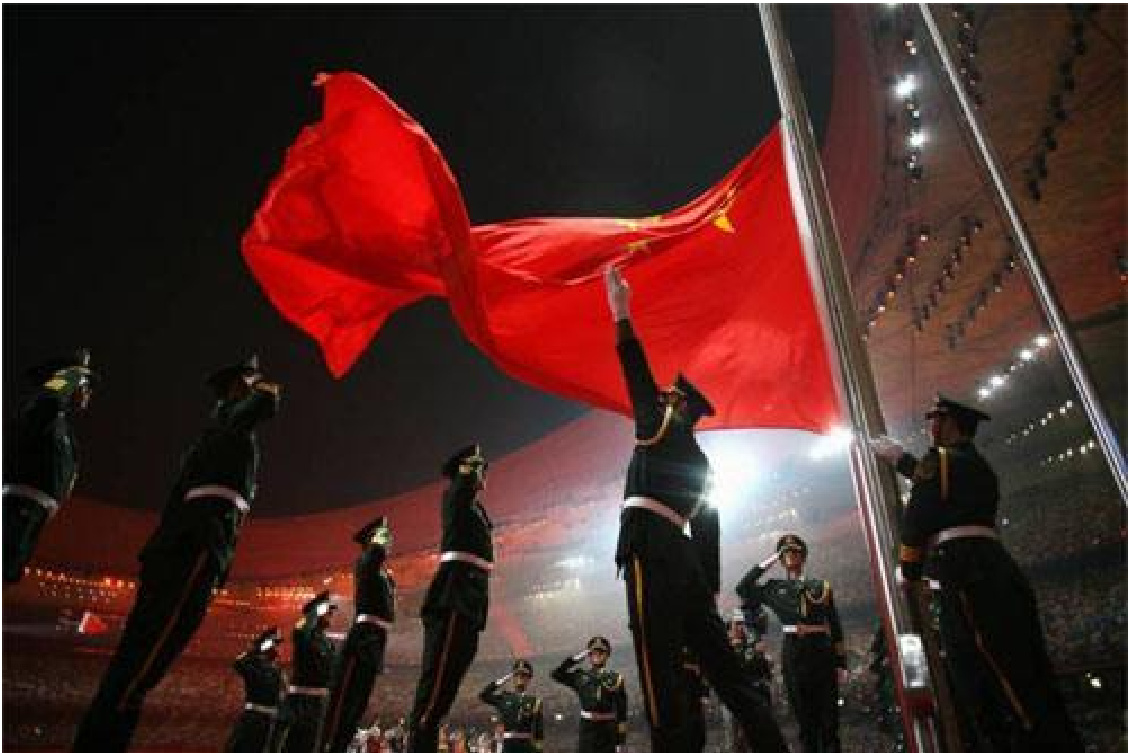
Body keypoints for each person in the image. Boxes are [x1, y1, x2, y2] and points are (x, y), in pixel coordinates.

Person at [604, 266, 788, 753]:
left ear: (677, 407)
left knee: (657, 667)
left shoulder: (660, 427)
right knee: (726, 673)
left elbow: (636, 375)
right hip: (687, 562)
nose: (660, 396)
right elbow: (710, 526)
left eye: (668, 396)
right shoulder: (702, 461)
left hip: (652, 548)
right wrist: (708, 588)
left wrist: (621, 313)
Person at [72, 355, 280, 753]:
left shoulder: (216, 434)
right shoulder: (229, 424)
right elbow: (265, 403)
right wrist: (259, 387)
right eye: (250, 382)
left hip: (183, 547)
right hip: (195, 545)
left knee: (138, 665)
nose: (258, 386)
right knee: (144, 664)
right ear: (237, 388)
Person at [871, 395, 1084, 753]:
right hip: (991, 565)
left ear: (948, 423)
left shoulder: (942, 460)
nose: (930, 426)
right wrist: (903, 461)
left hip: (965, 572)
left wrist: (908, 570)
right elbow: (939, 487)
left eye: (935, 419)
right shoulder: (975, 466)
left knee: (984, 671)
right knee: (1026, 670)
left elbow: (920, 514)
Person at [405, 444, 494, 753]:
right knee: (437, 686)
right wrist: (465, 474)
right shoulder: (456, 496)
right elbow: (459, 489)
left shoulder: (475, 507)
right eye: (478, 466)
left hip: (470, 599)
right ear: (464, 471)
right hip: (454, 595)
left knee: (448, 684)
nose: (484, 472)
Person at [4, 348, 96, 584]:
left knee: (11, 571)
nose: (88, 393)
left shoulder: (61, 425)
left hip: (35, 510)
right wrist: (74, 373)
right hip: (19, 505)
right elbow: (51, 397)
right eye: (85, 386)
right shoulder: (43, 410)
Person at [323, 516, 397, 753]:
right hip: (362, 638)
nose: (388, 541)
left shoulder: (383, 572)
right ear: (371, 540)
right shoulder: (365, 562)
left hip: (376, 640)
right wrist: (378, 542)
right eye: (382, 536)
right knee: (343, 701)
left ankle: (339, 746)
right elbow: (375, 556)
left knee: (358, 706)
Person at [281, 590, 340, 753]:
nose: (331, 614)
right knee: (294, 747)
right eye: (328, 611)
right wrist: (313, 612)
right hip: (301, 702)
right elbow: (301, 631)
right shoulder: (304, 633)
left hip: (319, 703)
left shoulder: (327, 642)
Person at [550, 637, 627, 753]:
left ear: (607, 655)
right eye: (593, 652)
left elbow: (622, 714)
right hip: (587, 730)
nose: (597, 654)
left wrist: (620, 741)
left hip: (608, 730)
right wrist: (574, 660)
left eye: (601, 652)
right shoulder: (580, 676)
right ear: (589, 655)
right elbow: (556, 674)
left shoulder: (616, 679)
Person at [226, 627, 287, 753]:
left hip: (271, 722)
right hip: (254, 720)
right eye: (275, 644)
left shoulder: (277, 669)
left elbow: (281, 695)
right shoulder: (255, 665)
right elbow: (238, 663)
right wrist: (256, 649)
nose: (278, 648)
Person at [479, 660, 544, 753]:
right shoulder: (504, 698)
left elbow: (539, 730)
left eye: (524, 675)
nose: (520, 677)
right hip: (507, 746)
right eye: (517, 675)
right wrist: (503, 680)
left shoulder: (535, 701)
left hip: (526, 746)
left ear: (529, 679)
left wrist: (539, 749)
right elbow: (484, 695)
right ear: (513, 678)